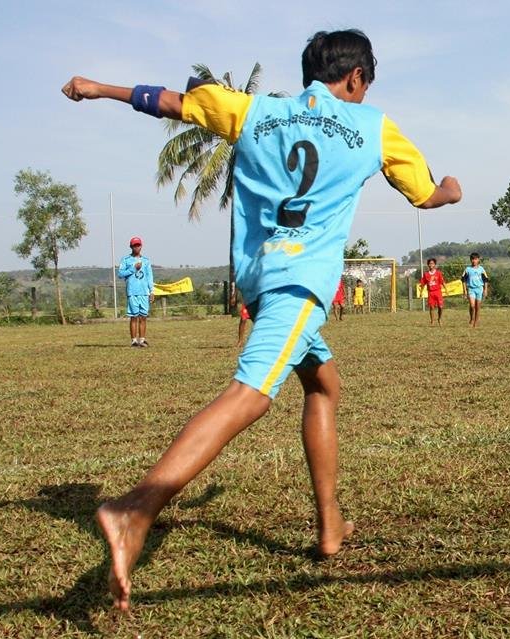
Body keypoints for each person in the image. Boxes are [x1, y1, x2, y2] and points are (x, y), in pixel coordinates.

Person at [62, 28, 461, 611]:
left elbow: (166, 100)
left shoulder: (251, 110)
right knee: (250, 394)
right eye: (366, 82)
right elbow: (424, 195)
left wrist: (97, 88)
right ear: (356, 79)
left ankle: (330, 527)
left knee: (323, 386)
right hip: (299, 287)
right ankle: (133, 510)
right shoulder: (374, 126)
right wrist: (450, 190)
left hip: (263, 280)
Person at [117, 237, 154, 347]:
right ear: (131, 247)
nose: (136, 247)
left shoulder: (146, 261)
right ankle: (134, 340)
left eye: (138, 245)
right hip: (132, 292)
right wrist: (133, 269)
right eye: (134, 245)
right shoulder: (126, 260)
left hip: (144, 292)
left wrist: (151, 291)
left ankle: (142, 340)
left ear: (141, 246)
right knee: (134, 316)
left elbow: (149, 277)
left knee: (143, 316)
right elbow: (120, 274)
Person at [461, 252, 489, 328]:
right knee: (472, 305)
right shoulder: (468, 269)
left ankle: (476, 322)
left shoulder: (481, 269)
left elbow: (486, 280)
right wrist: (465, 290)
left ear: (478, 260)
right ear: (470, 260)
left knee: (478, 306)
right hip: (471, 289)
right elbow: (463, 280)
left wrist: (485, 290)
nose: (474, 261)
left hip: (479, 289)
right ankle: (471, 318)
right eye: (472, 259)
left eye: (475, 259)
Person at [419, 258, 447, 324]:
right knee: (431, 307)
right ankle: (432, 321)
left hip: (438, 292)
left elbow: (442, 282)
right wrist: (421, 292)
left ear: (434, 264)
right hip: (431, 292)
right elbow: (422, 284)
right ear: (428, 265)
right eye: (429, 264)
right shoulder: (426, 274)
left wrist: (446, 289)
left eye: (432, 263)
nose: (431, 265)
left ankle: (439, 319)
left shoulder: (438, 273)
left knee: (440, 307)